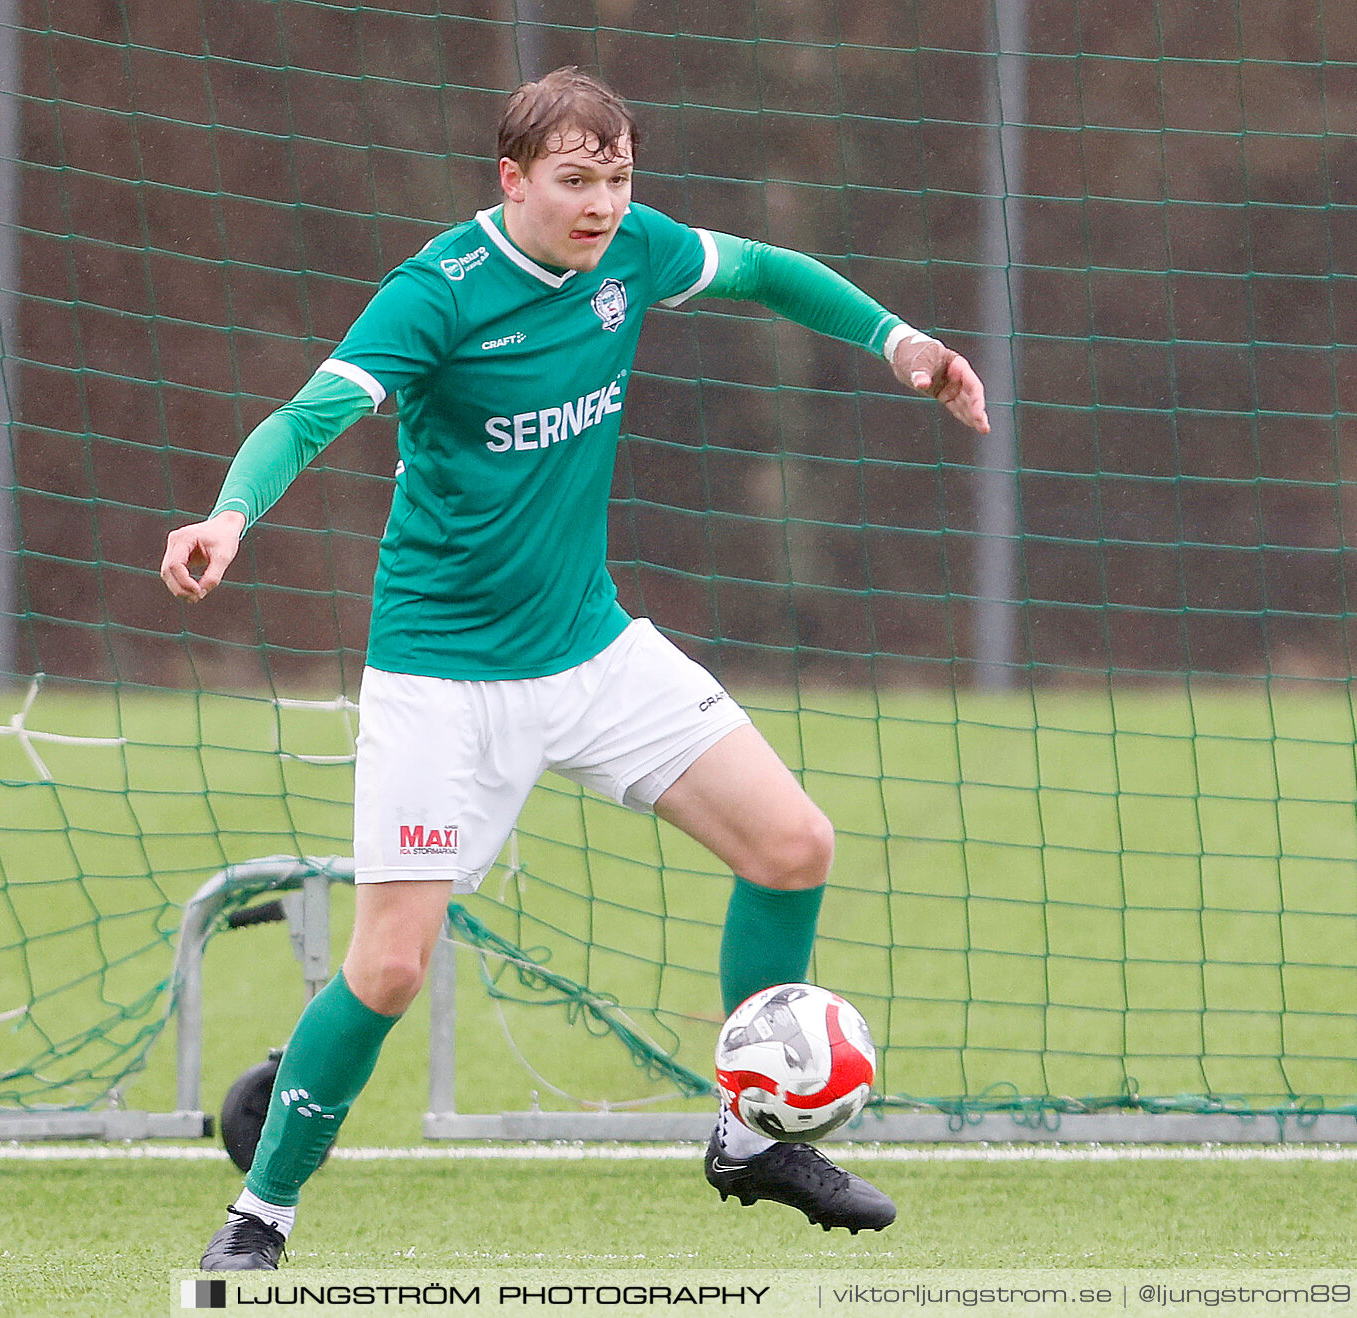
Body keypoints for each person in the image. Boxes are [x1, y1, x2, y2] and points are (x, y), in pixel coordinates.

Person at [163, 67, 989, 1272]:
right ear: (513, 178)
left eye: (618, 178)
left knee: (793, 845)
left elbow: (760, 267)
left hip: (594, 649)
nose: (602, 204)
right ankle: (261, 1215)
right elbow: (307, 417)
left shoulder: (633, 252)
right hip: (444, 677)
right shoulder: (436, 293)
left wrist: (900, 341)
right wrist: (230, 516)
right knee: (389, 967)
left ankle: (750, 1136)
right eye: (575, 181)